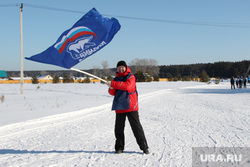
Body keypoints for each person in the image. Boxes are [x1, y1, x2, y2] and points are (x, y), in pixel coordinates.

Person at [107, 60, 149, 154]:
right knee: (118, 129)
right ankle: (119, 148)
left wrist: (113, 84)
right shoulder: (115, 79)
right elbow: (112, 93)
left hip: (131, 106)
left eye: (122, 67)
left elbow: (127, 86)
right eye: (119, 67)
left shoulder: (131, 77)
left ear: (126, 68)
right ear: (117, 69)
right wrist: (110, 87)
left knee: (136, 128)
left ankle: (144, 147)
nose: (121, 69)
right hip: (120, 106)